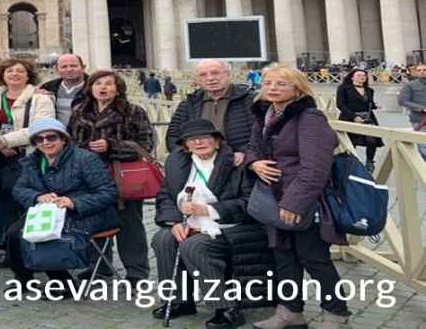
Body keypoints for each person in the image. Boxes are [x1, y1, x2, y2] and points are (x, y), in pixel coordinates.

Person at [247, 66, 350, 329]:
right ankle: (290, 312)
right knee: (284, 256)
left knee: (314, 258)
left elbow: (316, 166)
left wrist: (295, 203)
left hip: (303, 199)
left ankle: (337, 315)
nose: (272, 88)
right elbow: (252, 149)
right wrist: (254, 163)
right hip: (273, 197)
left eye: (282, 84)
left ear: (298, 89)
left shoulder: (309, 117)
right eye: (268, 83)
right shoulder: (266, 114)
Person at [151, 119, 264, 329]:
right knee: (163, 238)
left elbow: (249, 203)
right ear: (186, 146)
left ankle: (225, 308)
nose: (199, 142)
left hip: (231, 227)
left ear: (218, 142)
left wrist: (210, 210)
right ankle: (178, 300)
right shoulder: (177, 163)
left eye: (205, 138)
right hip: (189, 222)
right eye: (192, 140)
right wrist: (174, 221)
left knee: (194, 245)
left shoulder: (236, 163)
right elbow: (166, 194)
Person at [4, 118, 119, 297]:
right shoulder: (32, 161)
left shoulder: (85, 159)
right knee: (13, 233)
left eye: (51, 137)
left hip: (86, 212)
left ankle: (65, 284)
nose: (46, 142)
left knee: (51, 232)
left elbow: (108, 193)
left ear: (63, 139)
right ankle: (24, 279)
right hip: (49, 211)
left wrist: (73, 202)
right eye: (39, 139)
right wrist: (38, 197)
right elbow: (19, 189)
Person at [67, 69, 153, 283]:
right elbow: (69, 143)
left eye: (108, 83)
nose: (103, 88)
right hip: (88, 176)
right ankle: (99, 267)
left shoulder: (134, 112)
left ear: (118, 89)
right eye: (98, 84)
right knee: (92, 221)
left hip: (121, 176)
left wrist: (111, 146)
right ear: (91, 88)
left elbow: (145, 146)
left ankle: (136, 272)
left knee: (129, 225)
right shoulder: (79, 111)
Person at [0, 59, 56, 256]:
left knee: (27, 203)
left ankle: (33, 247)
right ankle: (11, 249)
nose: (14, 74)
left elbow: (41, 127)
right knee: (4, 203)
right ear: (2, 75)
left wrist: (5, 141)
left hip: (29, 156)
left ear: (28, 75)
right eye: (10, 71)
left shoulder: (41, 99)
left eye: (20, 71)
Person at [166, 60, 255, 164]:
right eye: (203, 75)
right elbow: (173, 137)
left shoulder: (249, 100)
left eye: (215, 73)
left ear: (228, 74)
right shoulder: (188, 104)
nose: (210, 78)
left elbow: (261, 134)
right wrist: (188, 156)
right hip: (200, 165)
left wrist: (247, 154)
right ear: (197, 79)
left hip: (240, 164)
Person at [336, 68, 382, 172]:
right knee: (352, 142)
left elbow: (369, 103)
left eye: (364, 76)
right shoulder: (343, 88)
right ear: (352, 77)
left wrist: (375, 106)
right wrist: (354, 117)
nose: (362, 77)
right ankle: (351, 163)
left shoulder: (369, 90)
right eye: (359, 75)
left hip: (367, 118)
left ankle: (370, 162)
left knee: (372, 140)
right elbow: (340, 105)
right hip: (349, 117)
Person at [40, 54, 88, 126]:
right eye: (64, 67)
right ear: (57, 70)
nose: (69, 69)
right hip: (58, 135)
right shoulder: (48, 88)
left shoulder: (94, 87)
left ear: (83, 67)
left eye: (73, 66)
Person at [396, 64, 426, 160]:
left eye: (424, 69)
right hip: (420, 120)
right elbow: (402, 100)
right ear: (416, 72)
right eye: (419, 70)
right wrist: (422, 108)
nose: (422, 71)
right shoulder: (410, 85)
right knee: (423, 146)